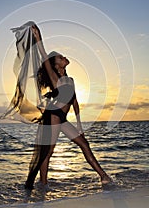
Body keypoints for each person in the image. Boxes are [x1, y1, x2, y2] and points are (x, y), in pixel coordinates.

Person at [24, 24, 111, 190]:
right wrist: (38, 38)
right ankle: (43, 183)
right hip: (53, 114)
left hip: (62, 118)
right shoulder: (54, 77)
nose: (64, 58)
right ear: (56, 65)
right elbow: (43, 56)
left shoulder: (70, 79)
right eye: (60, 57)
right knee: (48, 151)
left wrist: (79, 125)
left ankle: (104, 177)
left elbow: (75, 103)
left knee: (84, 144)